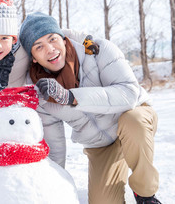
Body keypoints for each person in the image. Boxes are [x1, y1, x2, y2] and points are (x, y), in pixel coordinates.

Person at [19, 12, 161, 204]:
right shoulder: (40, 92)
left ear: (63, 38)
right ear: (33, 58)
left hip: (133, 117)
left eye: (52, 39)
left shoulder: (98, 51)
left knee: (133, 121)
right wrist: (50, 186)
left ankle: (145, 195)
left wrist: (71, 97)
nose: (50, 49)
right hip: (101, 144)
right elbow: (55, 145)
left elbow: (129, 94)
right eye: (39, 47)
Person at [0, 0, 88, 138]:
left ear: (14, 38)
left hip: (21, 118)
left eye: (4, 38)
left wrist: (86, 39)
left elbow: (52, 33)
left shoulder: (22, 49)